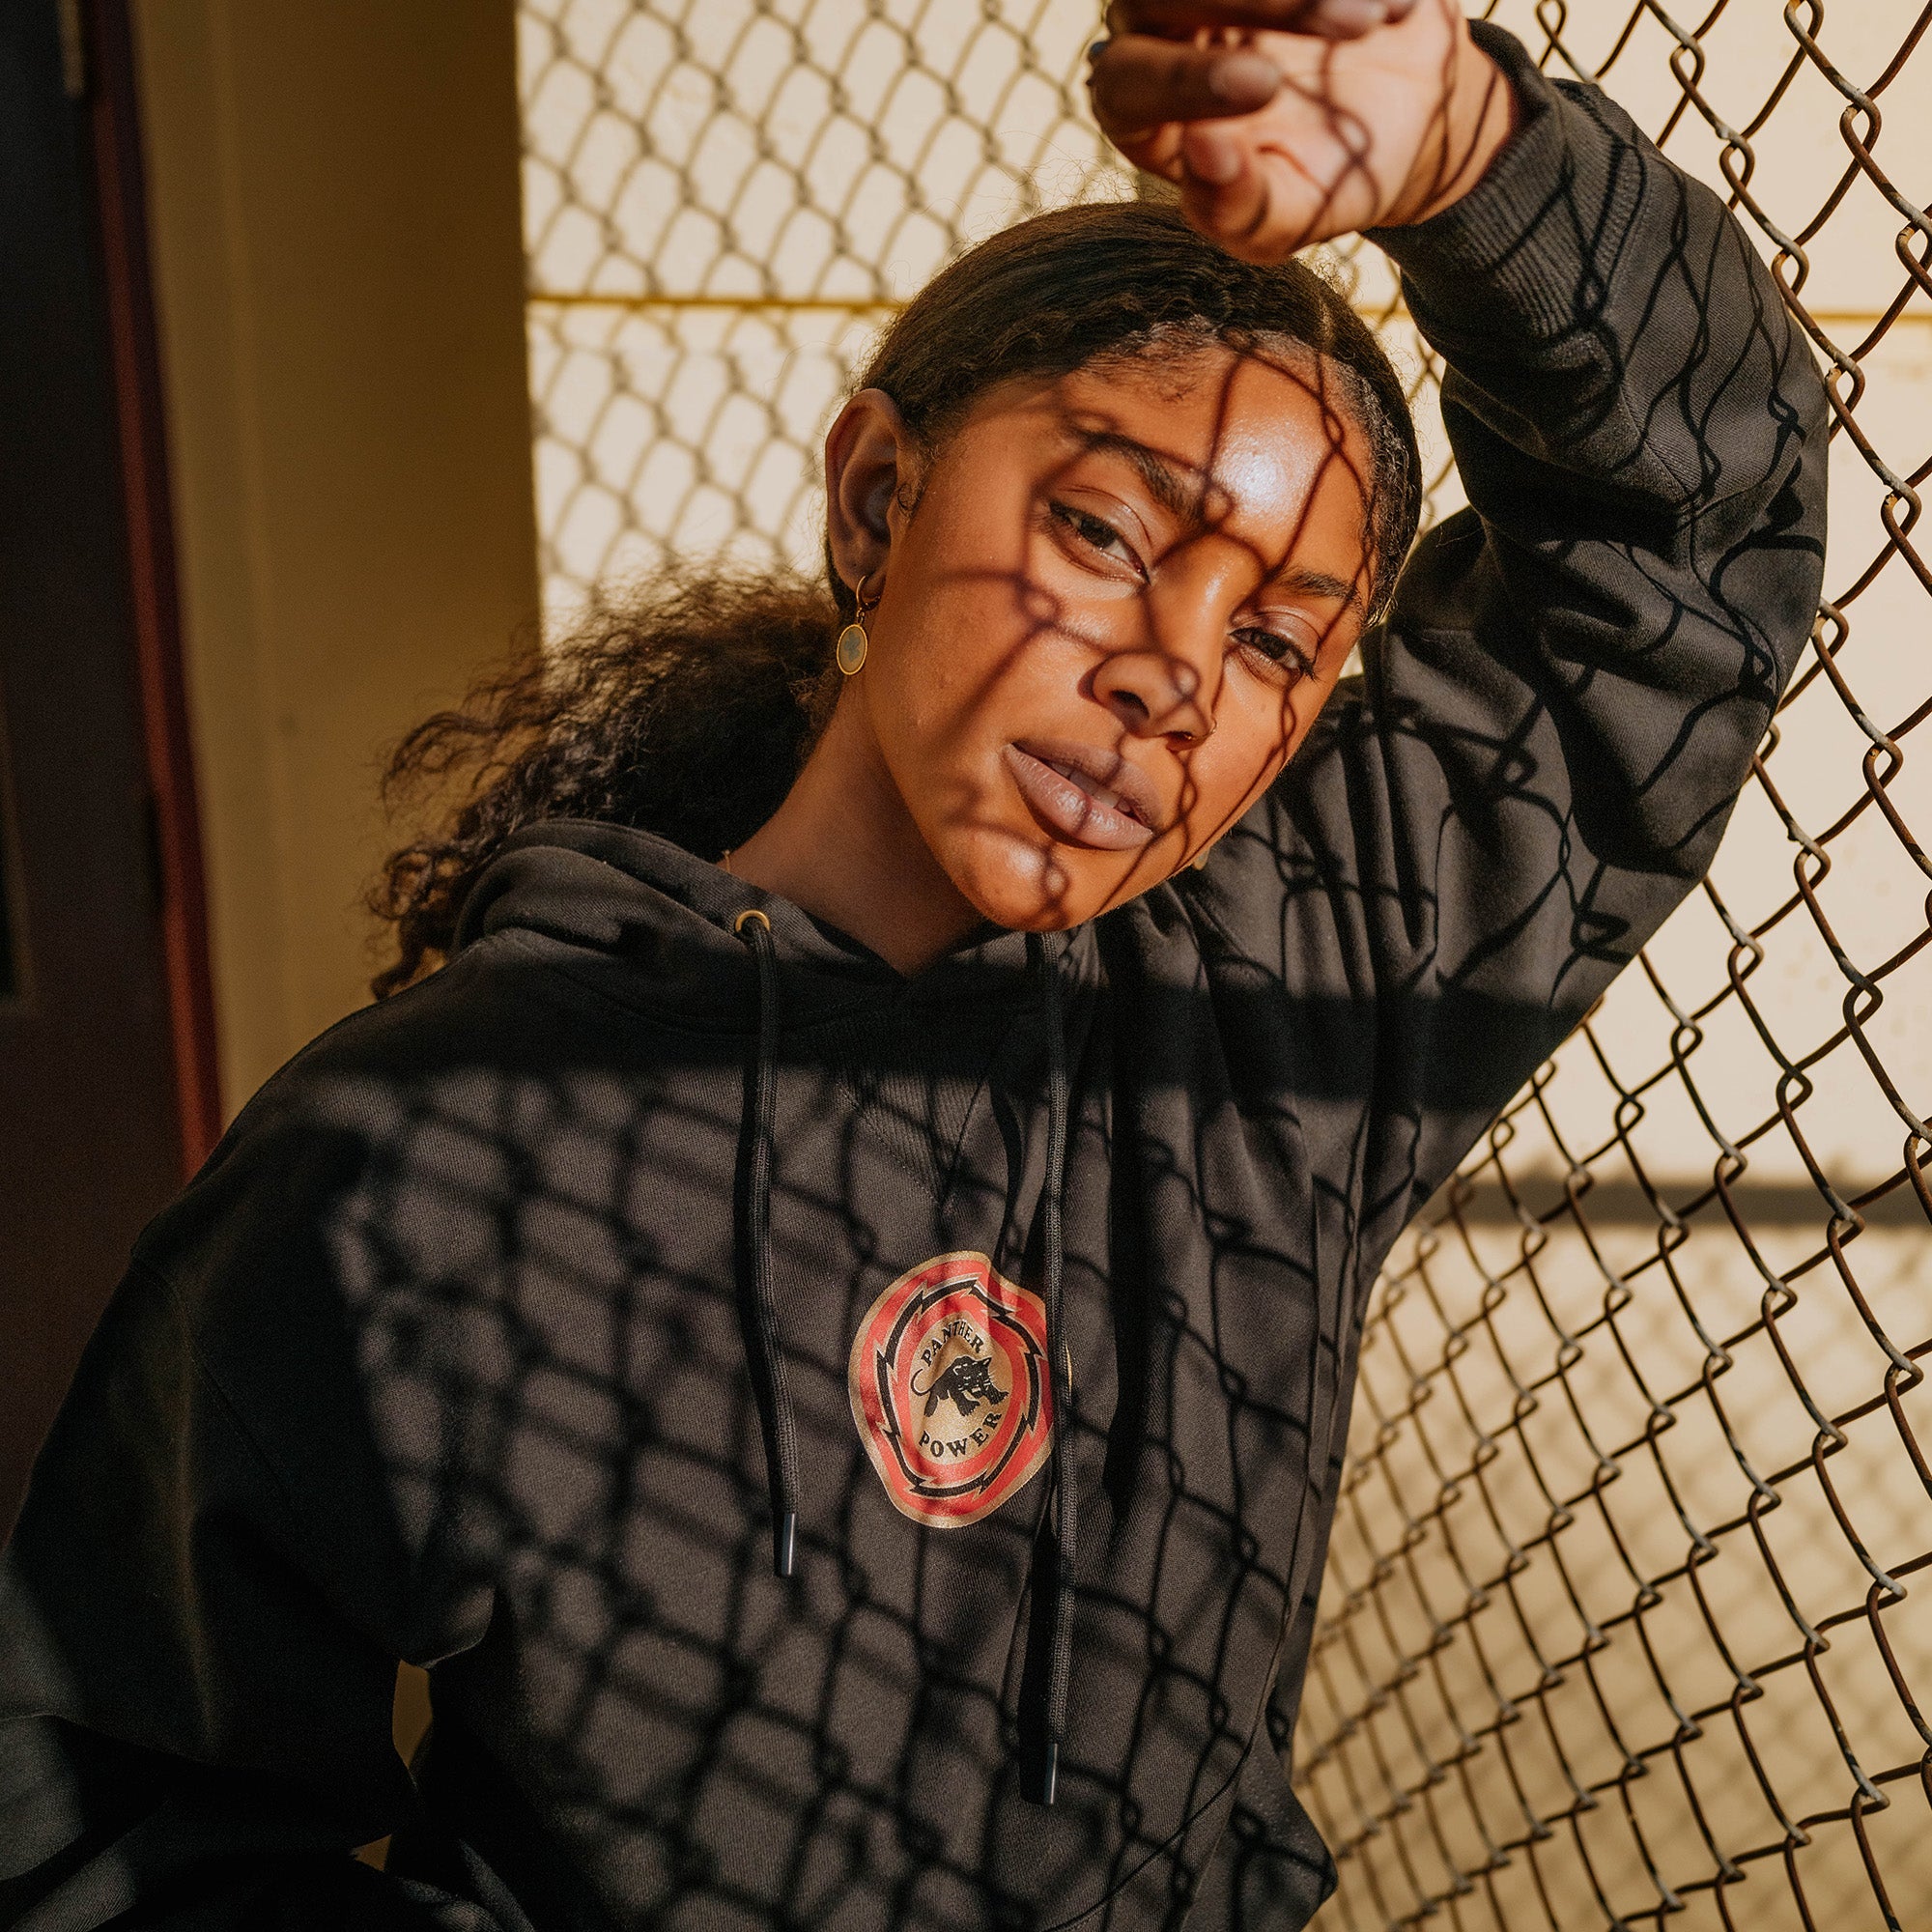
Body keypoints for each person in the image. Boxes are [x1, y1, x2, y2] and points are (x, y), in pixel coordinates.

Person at [0, 2, 1826, 1926]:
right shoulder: (433, 1139)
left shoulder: (1277, 1016)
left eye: (1281, 642)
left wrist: (1476, 158)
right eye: (1107, 528)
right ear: (877, 499)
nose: (1176, 674)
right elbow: (110, 1801)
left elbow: (1680, 564)